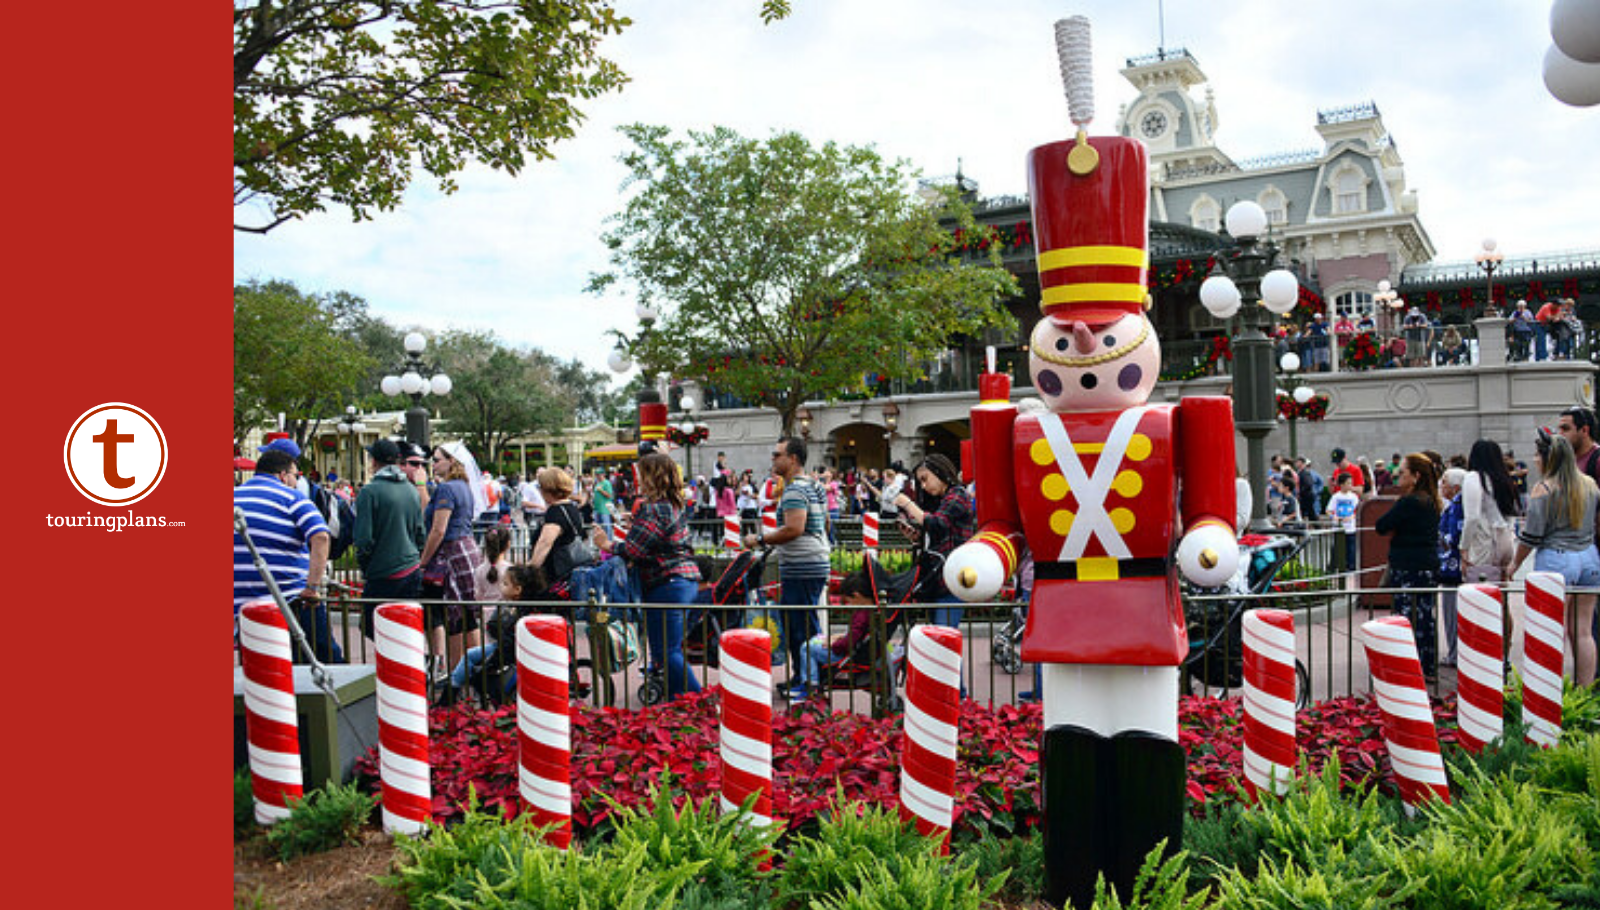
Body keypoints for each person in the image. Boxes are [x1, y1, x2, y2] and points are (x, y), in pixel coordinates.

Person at [596, 452, 702, 700]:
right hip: (681, 580)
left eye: (641, 475)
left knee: (666, 651)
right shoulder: (670, 505)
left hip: (668, 583)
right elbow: (657, 538)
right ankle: (680, 700)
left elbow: (634, 550)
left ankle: (698, 700)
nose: (637, 480)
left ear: (652, 478)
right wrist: (636, 523)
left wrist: (606, 544)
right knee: (666, 649)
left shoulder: (654, 509)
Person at [234, 447, 340, 663]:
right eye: (295, 475)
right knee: (324, 659)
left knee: (261, 668)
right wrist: (312, 587)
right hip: (290, 598)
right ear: (283, 475)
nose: (296, 481)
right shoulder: (292, 498)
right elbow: (321, 536)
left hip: (242, 604)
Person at [744, 436, 830, 698]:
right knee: (802, 624)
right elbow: (824, 523)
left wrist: (759, 539)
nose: (773, 459)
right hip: (811, 562)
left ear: (793, 459)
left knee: (800, 626)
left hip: (803, 566)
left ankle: (810, 682)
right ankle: (803, 677)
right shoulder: (813, 485)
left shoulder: (794, 490)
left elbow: (795, 528)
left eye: (777, 454)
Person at [1512, 432, 1599, 687]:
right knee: (1583, 630)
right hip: (1589, 557)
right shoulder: (1590, 485)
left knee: (1551, 631)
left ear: (1547, 458)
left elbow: (1531, 536)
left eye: (1537, 455)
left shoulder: (1545, 488)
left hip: (1556, 559)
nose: (1535, 460)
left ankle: (1549, 693)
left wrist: (1514, 564)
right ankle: (1584, 693)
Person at [418, 442, 488, 678]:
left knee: (455, 617)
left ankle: (456, 676)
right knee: (469, 615)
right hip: (468, 548)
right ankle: (474, 671)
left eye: (437, 459)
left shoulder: (447, 489)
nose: (433, 464)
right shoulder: (464, 486)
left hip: (452, 552)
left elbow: (438, 530)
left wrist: (423, 562)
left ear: (452, 462)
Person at [893, 452, 976, 636]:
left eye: (925, 479)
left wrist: (907, 504)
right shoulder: (943, 499)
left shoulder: (957, 495)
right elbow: (938, 533)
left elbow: (938, 523)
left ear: (940, 472)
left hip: (951, 579)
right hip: (939, 578)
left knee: (944, 638)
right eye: (920, 482)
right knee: (940, 640)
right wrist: (917, 536)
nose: (924, 486)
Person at [1375, 453, 1442, 677]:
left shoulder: (1409, 502)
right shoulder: (1430, 501)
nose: (1397, 477)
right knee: (1424, 616)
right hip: (1427, 565)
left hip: (1408, 566)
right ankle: (1426, 664)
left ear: (1415, 476)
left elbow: (1382, 525)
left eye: (1402, 473)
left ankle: (1410, 667)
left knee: (1407, 616)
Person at [353, 438, 426, 642]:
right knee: (405, 627)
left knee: (371, 625)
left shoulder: (369, 492)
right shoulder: (411, 490)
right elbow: (420, 532)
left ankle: (391, 668)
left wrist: (366, 566)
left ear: (374, 462)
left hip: (383, 572)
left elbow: (363, 538)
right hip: (410, 568)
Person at [800, 570, 876, 696]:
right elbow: (856, 635)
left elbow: (851, 640)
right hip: (851, 649)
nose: (849, 605)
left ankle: (811, 685)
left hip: (843, 652)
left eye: (849, 601)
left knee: (807, 648)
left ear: (856, 596)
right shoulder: (869, 610)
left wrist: (833, 645)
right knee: (816, 639)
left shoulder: (861, 614)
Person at [529, 466, 591, 598]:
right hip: (570, 575)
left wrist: (530, 569)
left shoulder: (555, 512)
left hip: (555, 576)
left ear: (548, 490)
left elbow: (545, 543)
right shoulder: (571, 508)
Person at [1437, 468, 1466, 668]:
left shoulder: (1457, 506)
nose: (1441, 485)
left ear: (1455, 487)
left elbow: (1453, 536)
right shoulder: (1454, 505)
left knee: (1451, 611)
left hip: (1452, 568)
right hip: (1450, 566)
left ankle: (1455, 653)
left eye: (1445, 482)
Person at [1325, 475, 1361, 571]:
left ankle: (1351, 565)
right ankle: (1334, 565)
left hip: (1350, 527)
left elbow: (1357, 510)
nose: (1350, 485)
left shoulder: (1353, 497)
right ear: (1342, 484)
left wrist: (1351, 517)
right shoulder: (1336, 496)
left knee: (1351, 547)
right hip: (1338, 526)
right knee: (1337, 547)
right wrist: (1334, 517)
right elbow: (1328, 510)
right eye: (1348, 483)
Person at [589, 469, 616, 537]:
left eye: (599, 474)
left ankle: (609, 541)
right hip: (597, 508)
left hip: (605, 508)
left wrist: (601, 490)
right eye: (597, 475)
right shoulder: (597, 483)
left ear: (604, 474)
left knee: (607, 526)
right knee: (597, 527)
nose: (598, 476)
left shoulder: (607, 483)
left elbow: (609, 495)